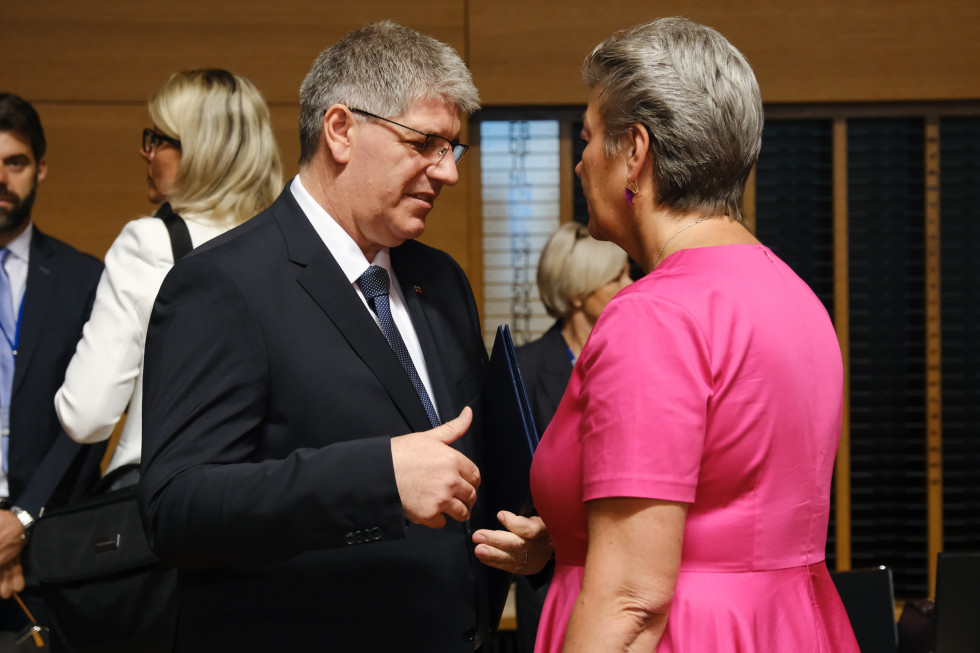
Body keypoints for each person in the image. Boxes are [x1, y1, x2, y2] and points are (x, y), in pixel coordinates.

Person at [137, 22, 547, 652]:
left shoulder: (439, 280)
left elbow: (463, 458)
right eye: (425, 143)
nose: (448, 174)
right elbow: (178, 508)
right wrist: (376, 477)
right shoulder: (224, 284)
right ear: (341, 130)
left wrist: (518, 534)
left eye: (452, 149)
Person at [528, 18, 860, 651]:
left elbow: (630, 603)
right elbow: (730, 494)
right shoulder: (795, 295)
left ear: (635, 152)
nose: (578, 162)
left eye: (590, 137)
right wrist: (568, 537)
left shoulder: (654, 314)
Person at [54, 69, 282, 474]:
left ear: (200, 151)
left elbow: (85, 415)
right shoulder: (291, 246)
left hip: (169, 502)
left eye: (158, 139)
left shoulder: (151, 243)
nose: (147, 152)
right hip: (271, 503)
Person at [0, 93, 105, 638]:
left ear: (40, 168)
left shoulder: (85, 280)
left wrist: (22, 521)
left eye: (14, 163)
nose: (0, 178)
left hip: (48, 556)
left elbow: (89, 422)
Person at [512, 221, 629, 652]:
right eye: (616, 277)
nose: (631, 285)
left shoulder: (638, 355)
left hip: (630, 573)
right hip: (552, 580)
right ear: (580, 292)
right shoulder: (522, 369)